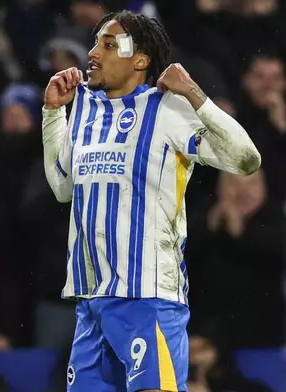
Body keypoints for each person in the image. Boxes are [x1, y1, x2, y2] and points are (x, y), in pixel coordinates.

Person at [41, 10, 261, 392]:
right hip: (91, 298)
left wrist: (194, 93)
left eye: (108, 45)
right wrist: (52, 114)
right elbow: (62, 187)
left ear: (141, 60)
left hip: (147, 298)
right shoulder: (84, 109)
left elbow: (246, 159)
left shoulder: (166, 108)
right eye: (95, 42)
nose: (93, 53)